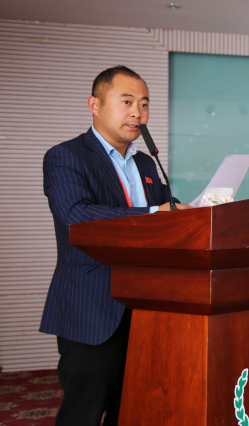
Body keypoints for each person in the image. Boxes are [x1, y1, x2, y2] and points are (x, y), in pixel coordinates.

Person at [39, 66, 192, 425]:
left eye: (144, 104)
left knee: (135, 409)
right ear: (95, 105)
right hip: (92, 306)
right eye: (127, 102)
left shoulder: (145, 162)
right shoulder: (66, 155)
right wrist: (154, 213)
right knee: (84, 412)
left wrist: (202, 210)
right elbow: (75, 214)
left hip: (148, 307)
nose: (138, 112)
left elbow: (168, 213)